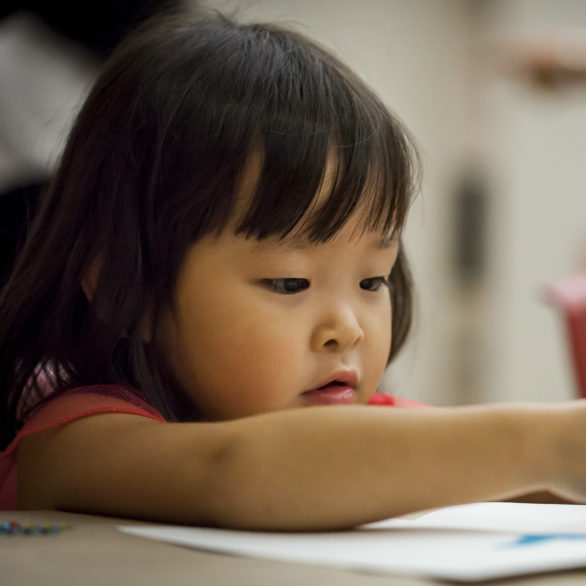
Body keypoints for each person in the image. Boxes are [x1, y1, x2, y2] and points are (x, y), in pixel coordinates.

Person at [1, 9, 586, 529]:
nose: (349, 328)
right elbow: (235, 472)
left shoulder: (360, 429)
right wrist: (545, 442)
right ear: (125, 290)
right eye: (290, 282)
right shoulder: (72, 439)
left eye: (373, 281)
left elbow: (527, 477)